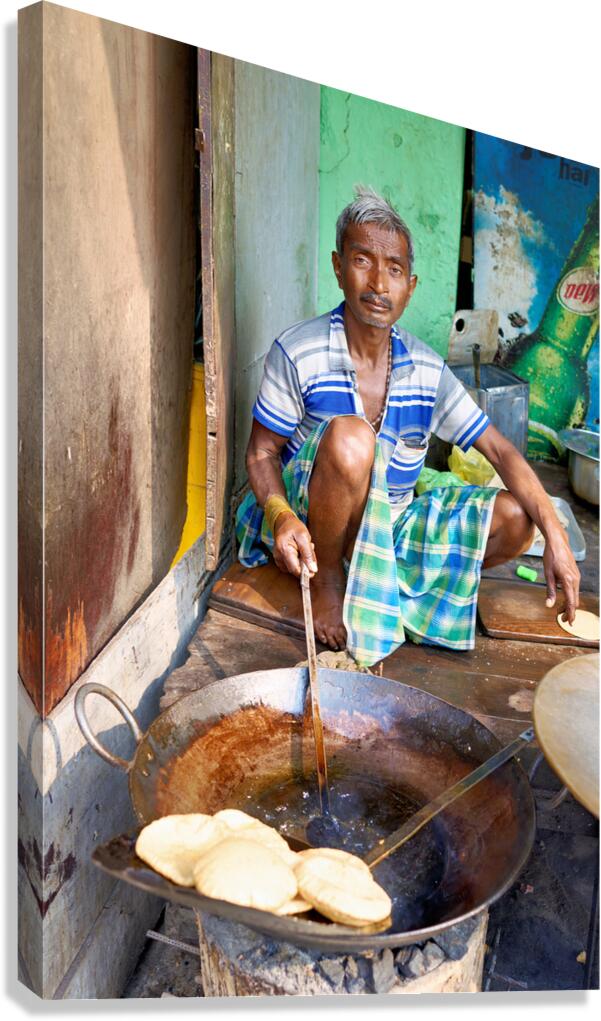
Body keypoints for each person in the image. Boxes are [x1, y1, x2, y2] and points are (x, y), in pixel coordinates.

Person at [235, 186, 580, 663]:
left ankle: (380, 578)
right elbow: (261, 453)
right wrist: (279, 515)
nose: (379, 283)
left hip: (391, 525)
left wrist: (556, 538)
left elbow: (500, 452)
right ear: (338, 267)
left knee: (520, 520)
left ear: (410, 287)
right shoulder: (299, 351)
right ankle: (332, 580)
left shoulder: (426, 368)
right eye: (362, 261)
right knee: (354, 438)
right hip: (312, 519)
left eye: (394, 269)